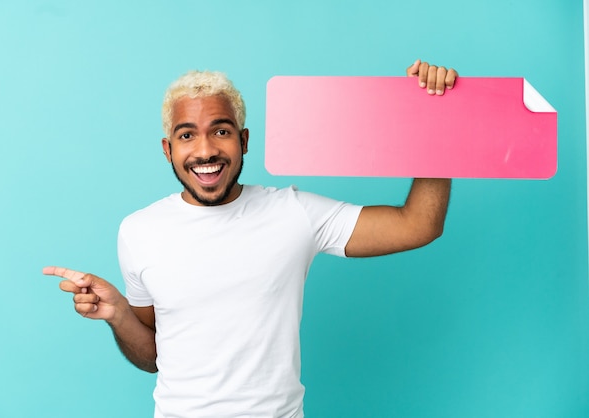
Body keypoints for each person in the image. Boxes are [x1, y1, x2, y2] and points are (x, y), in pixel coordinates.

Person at [44, 59, 457, 418]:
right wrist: (117, 313)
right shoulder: (138, 231)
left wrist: (435, 117)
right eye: (187, 135)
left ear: (243, 141)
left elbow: (418, 223)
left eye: (220, 131)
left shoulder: (294, 213)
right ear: (168, 150)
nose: (205, 150)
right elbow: (153, 357)